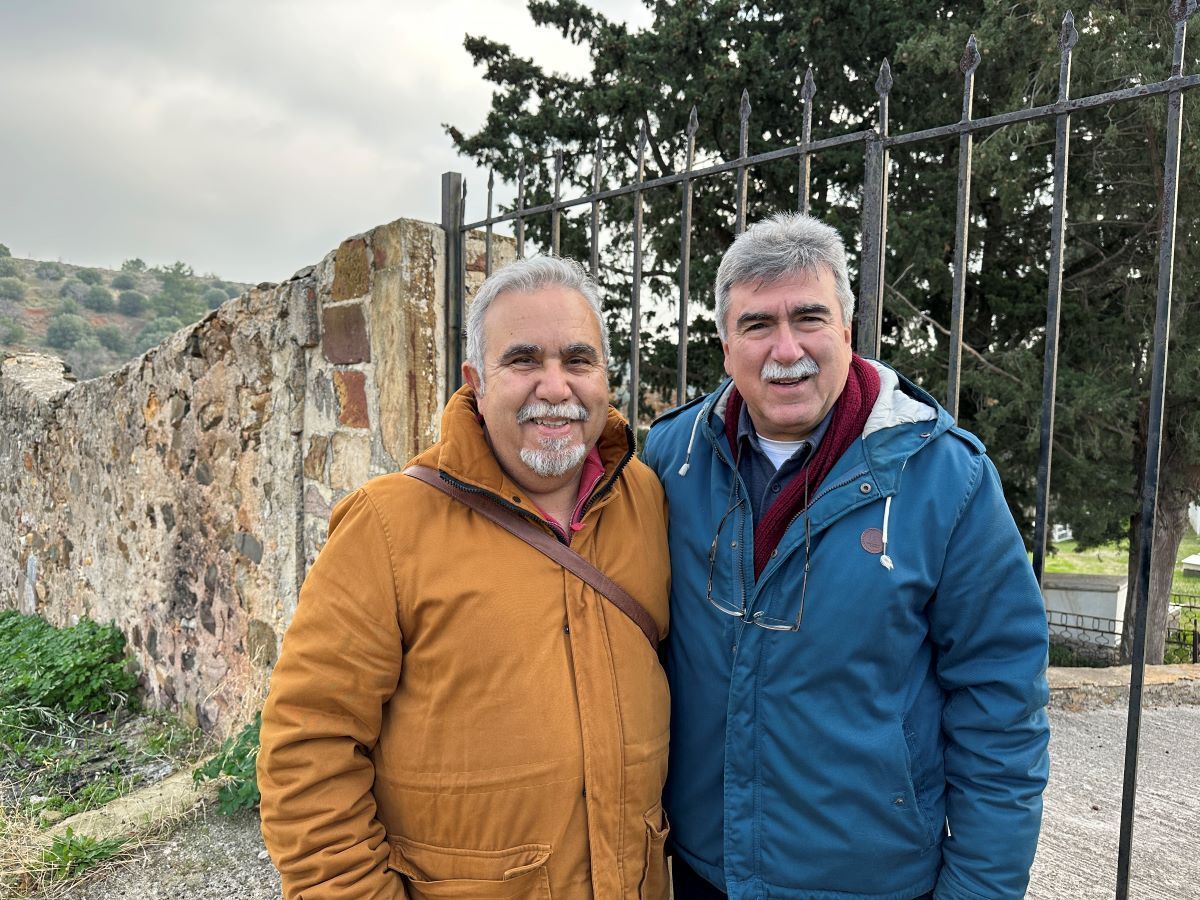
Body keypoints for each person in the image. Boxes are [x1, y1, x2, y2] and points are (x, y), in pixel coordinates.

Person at [643, 213, 1050, 900]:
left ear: (847, 331)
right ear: (725, 347)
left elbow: (1002, 705)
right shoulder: (671, 458)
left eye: (809, 318)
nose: (787, 349)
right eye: (757, 325)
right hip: (702, 869)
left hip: (871, 881)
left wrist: (980, 887)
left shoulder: (947, 478)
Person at [258, 256, 672, 900]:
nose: (555, 387)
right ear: (476, 382)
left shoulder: (647, 498)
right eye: (524, 360)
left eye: (578, 360)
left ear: (604, 376)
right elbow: (308, 749)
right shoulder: (387, 526)